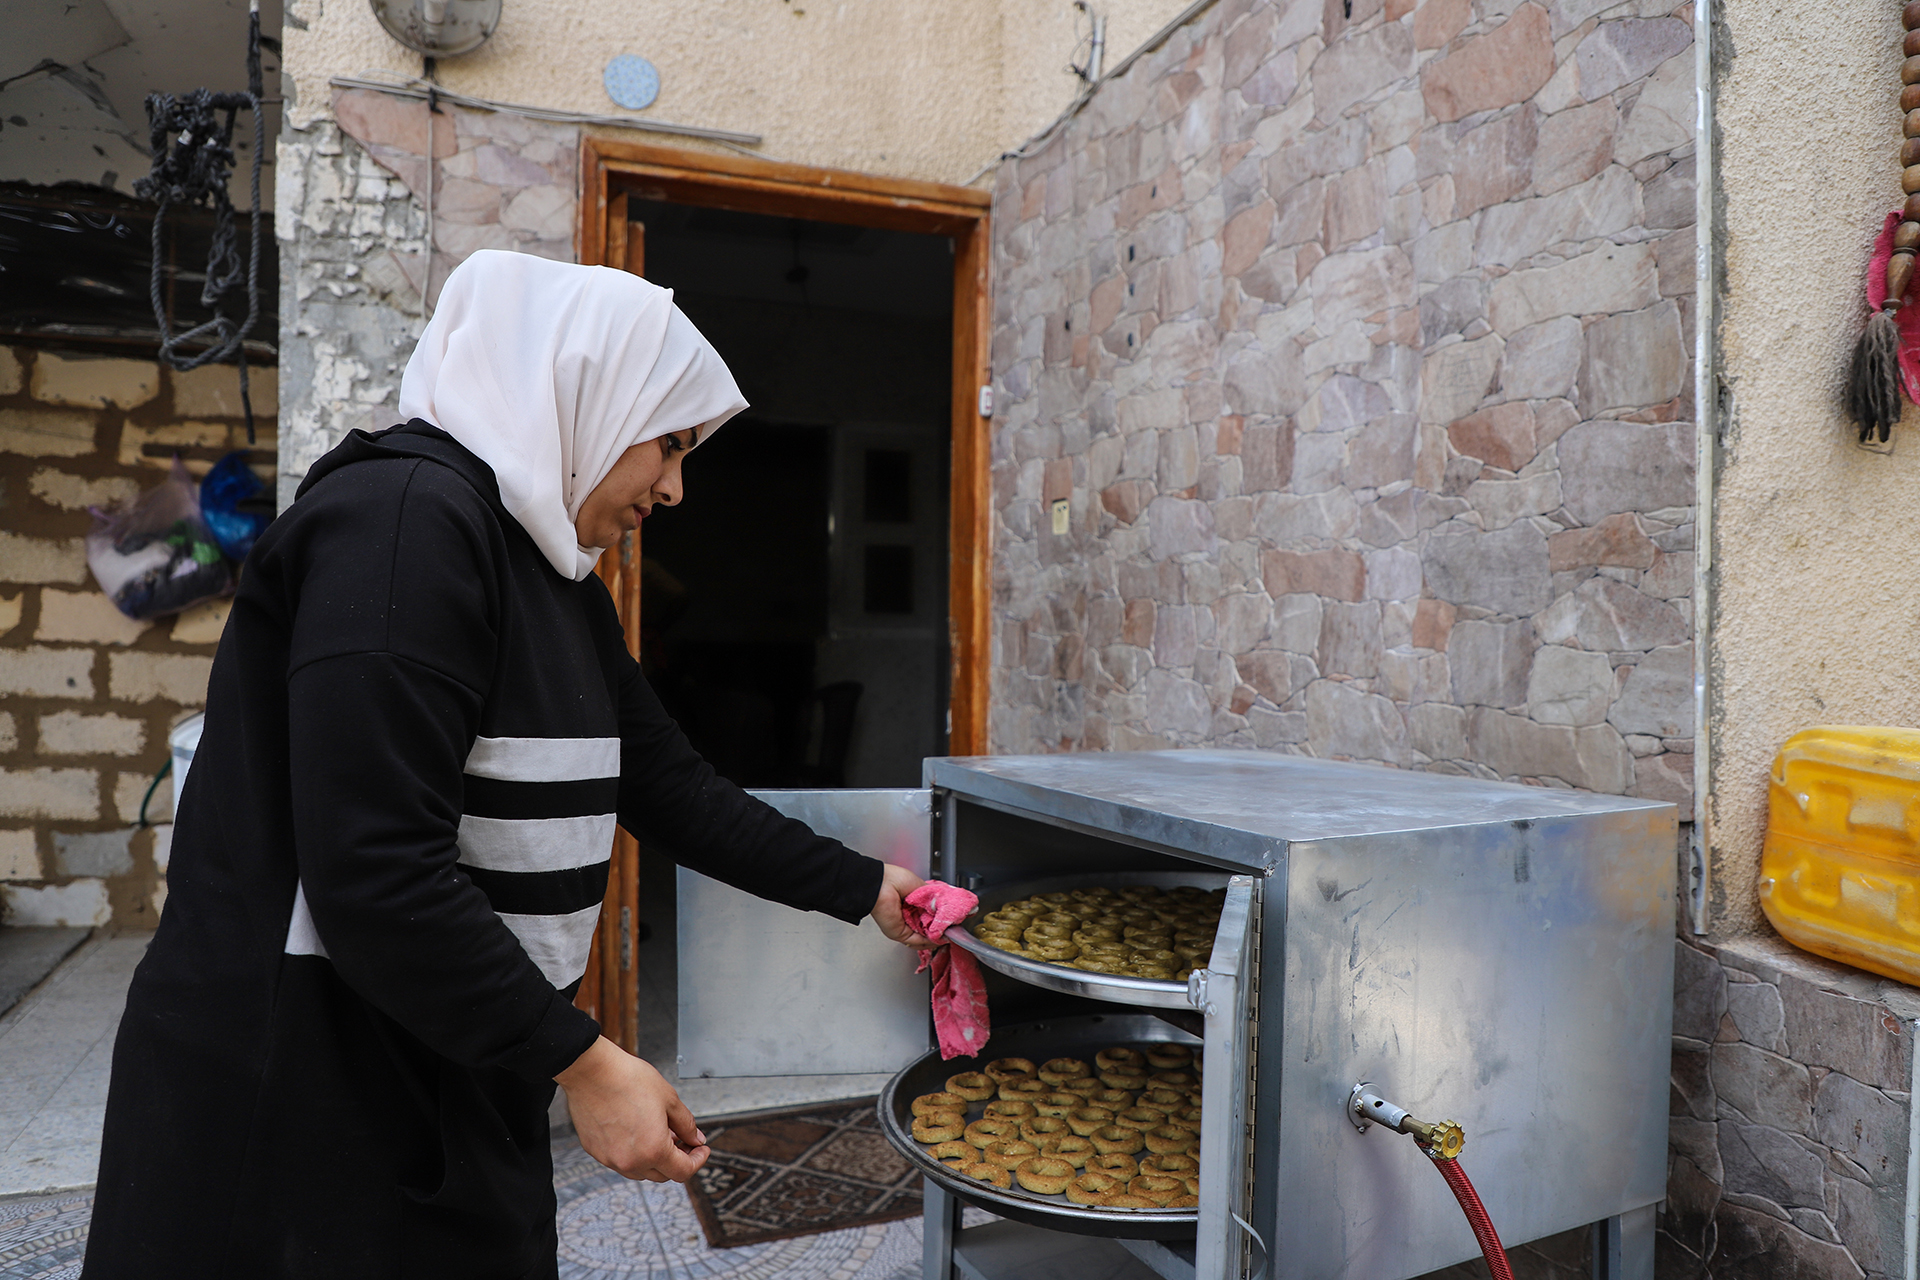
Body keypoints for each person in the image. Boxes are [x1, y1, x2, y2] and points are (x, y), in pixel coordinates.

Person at [81, 250, 932, 1279]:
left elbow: (669, 787)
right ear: (583, 392)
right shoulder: (401, 527)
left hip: (450, 1057)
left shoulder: (559, 583)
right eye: (666, 443)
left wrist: (865, 886)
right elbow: (375, 871)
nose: (673, 487)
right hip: (307, 1084)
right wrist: (585, 1059)